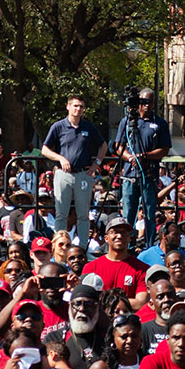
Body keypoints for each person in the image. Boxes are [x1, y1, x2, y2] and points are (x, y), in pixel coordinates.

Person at [40, 95, 104, 261]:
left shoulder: (89, 127)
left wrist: (96, 164)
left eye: (81, 106)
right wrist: (60, 158)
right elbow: (45, 149)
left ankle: (82, 249)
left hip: (83, 174)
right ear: (68, 107)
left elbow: (103, 146)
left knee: (83, 214)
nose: (78, 109)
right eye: (75, 105)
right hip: (64, 174)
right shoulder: (59, 126)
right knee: (61, 213)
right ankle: (58, 249)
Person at [115, 89, 170, 242]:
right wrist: (130, 157)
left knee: (150, 214)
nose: (146, 105)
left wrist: (145, 156)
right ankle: (127, 245)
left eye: (150, 102)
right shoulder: (127, 121)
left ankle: (150, 244)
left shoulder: (160, 123)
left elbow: (165, 149)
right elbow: (117, 146)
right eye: (143, 102)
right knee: (128, 215)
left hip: (149, 175)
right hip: (130, 176)